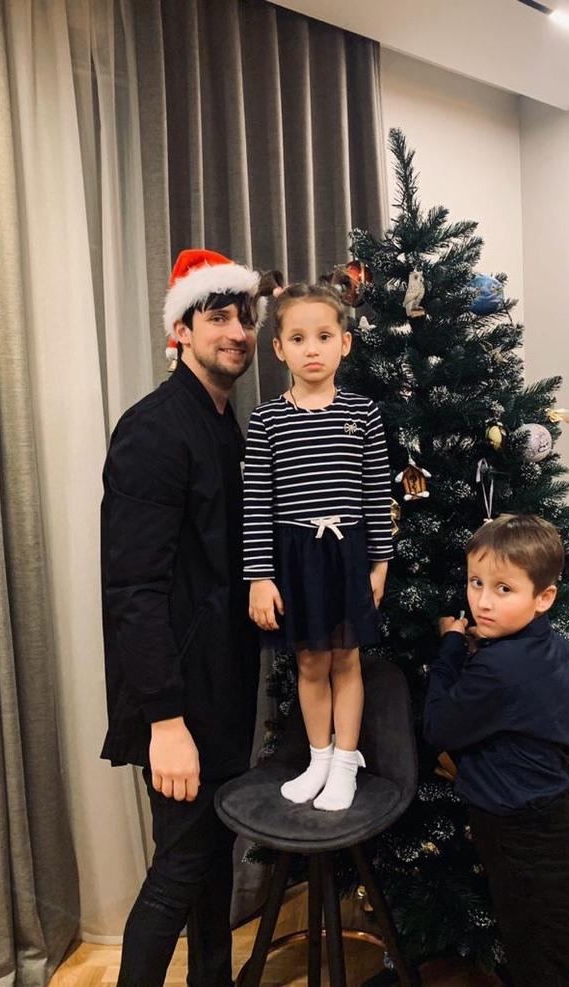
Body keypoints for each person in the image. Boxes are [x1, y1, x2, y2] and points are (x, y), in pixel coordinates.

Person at [100, 248, 264, 987]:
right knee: (180, 867)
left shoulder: (224, 424)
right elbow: (133, 589)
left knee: (210, 859)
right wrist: (166, 722)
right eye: (219, 316)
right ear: (182, 330)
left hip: (222, 684)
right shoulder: (155, 429)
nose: (238, 331)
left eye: (246, 317)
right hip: (178, 701)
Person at [243, 282, 392, 811]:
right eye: (298, 338)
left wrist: (380, 564)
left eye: (324, 336)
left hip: (347, 554)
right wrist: (260, 577)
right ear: (278, 348)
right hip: (296, 557)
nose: (312, 349)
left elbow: (376, 492)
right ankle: (319, 758)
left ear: (344, 344)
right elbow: (257, 504)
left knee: (346, 659)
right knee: (310, 663)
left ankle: (346, 761)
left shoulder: (364, 413)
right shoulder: (267, 420)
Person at [424, 514, 569, 987]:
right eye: (476, 582)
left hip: (520, 839)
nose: (482, 602)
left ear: (544, 597)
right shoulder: (560, 650)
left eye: (503, 589)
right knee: (547, 951)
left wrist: (451, 646)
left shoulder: (498, 668)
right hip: (551, 825)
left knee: (539, 961)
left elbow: (439, 726)